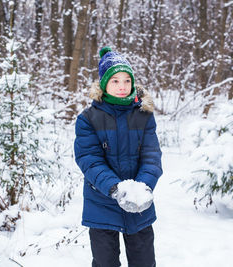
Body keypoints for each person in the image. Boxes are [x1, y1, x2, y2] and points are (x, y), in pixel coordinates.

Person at [74, 46, 163, 267]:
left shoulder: (144, 116)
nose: (122, 86)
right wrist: (115, 188)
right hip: (101, 202)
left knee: (144, 261)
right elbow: (89, 159)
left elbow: (152, 155)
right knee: (105, 262)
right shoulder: (88, 119)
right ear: (104, 84)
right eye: (115, 81)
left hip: (139, 203)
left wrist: (143, 187)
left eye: (126, 80)